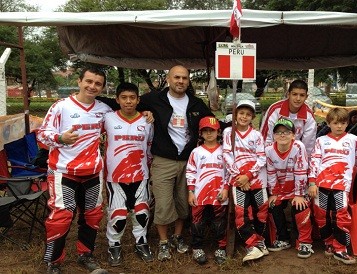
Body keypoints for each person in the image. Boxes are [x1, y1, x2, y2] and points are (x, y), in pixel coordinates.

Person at [97, 65, 220, 261]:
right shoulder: (154, 99)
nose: (180, 81)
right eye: (176, 77)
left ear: (188, 81)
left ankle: (177, 237)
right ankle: (163, 241)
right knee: (162, 203)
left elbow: (212, 123)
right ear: (168, 79)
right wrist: (89, 98)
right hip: (163, 160)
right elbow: (124, 103)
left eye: (184, 78)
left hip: (188, 160)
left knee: (183, 202)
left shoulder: (197, 104)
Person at [37, 66, 111, 274]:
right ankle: (54, 261)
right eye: (88, 81)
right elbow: (42, 135)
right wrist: (60, 138)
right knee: (61, 217)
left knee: (93, 215)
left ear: (102, 87)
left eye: (97, 83)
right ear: (79, 81)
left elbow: (119, 121)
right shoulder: (61, 107)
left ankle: (85, 254)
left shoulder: (104, 110)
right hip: (63, 171)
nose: (92, 86)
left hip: (93, 172)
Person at [103, 82, 154, 266]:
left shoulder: (147, 121)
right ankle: (114, 245)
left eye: (132, 98)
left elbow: (149, 148)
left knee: (141, 212)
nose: (128, 101)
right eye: (124, 98)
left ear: (138, 100)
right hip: (115, 176)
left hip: (141, 175)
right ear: (117, 100)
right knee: (118, 215)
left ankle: (141, 242)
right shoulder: (107, 118)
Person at [308, 108, 357, 265]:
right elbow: (315, 162)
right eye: (335, 123)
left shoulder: (353, 140)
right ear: (328, 123)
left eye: (343, 123)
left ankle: (340, 248)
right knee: (321, 215)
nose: (339, 126)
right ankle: (328, 243)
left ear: (347, 123)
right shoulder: (321, 140)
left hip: (342, 185)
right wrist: (312, 182)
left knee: (341, 216)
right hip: (321, 184)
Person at [223, 99, 269, 262]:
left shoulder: (256, 135)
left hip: (257, 179)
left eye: (248, 114)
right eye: (241, 113)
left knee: (261, 212)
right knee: (241, 213)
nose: (244, 117)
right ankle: (252, 245)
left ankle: (261, 242)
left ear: (253, 117)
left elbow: (262, 158)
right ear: (235, 115)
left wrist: (248, 176)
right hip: (238, 180)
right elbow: (227, 155)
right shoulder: (229, 132)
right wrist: (239, 177)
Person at [265, 118, 314, 259]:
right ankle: (283, 239)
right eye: (278, 132)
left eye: (286, 132)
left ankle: (305, 242)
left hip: (299, 187)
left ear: (293, 135)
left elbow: (301, 171)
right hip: (281, 188)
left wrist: (298, 194)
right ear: (273, 136)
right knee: (273, 205)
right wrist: (274, 193)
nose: (282, 135)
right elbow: (271, 173)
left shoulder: (298, 147)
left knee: (301, 206)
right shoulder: (269, 150)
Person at [186, 116, 228, 265]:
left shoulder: (225, 151)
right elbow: (190, 172)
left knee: (219, 220)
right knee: (197, 220)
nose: (209, 134)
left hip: (219, 192)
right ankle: (197, 247)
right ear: (201, 133)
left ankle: (221, 247)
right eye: (205, 131)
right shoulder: (196, 152)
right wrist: (191, 191)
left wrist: (226, 189)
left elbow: (229, 172)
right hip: (200, 192)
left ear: (218, 132)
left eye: (212, 130)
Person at [260, 80, 317, 155]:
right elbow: (266, 138)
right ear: (288, 94)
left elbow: (308, 145)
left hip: (296, 155)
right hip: (273, 155)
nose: (298, 98)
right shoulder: (275, 110)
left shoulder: (309, 116)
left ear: (306, 97)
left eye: (302, 95)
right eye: (294, 94)